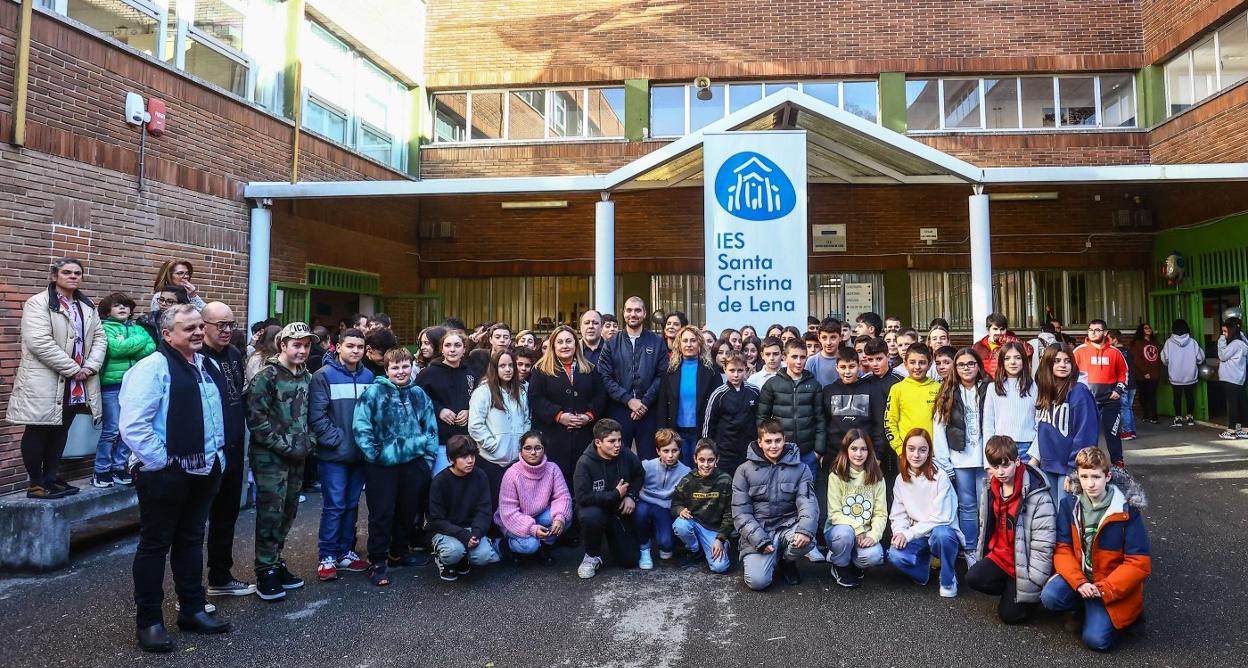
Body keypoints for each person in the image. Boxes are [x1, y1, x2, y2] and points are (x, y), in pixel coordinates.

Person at [121, 304, 231, 652]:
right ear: (167, 335)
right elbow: (134, 425)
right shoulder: (151, 368)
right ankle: (150, 622)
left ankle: (193, 610)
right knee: (155, 546)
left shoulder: (203, 364)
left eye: (200, 326)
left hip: (204, 468)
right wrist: (165, 464)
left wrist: (217, 458)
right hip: (165, 474)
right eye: (189, 329)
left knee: (190, 541)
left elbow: (212, 416)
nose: (198, 333)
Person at [9, 257, 106, 499]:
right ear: (55, 277)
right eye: (67, 272)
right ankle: (36, 483)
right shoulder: (38, 303)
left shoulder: (87, 306)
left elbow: (100, 338)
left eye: (77, 273)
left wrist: (91, 366)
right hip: (46, 380)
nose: (73, 276)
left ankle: (51, 479)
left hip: (77, 381)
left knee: (62, 430)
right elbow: (39, 343)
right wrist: (75, 369)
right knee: (38, 429)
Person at [1041, 447, 1151, 652]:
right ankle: (1084, 606)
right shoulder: (1069, 504)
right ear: (1078, 477)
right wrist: (1079, 582)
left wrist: (1104, 589)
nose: (1090, 484)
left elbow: (1139, 563)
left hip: (1109, 583)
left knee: (1097, 641)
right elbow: (1063, 549)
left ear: (1107, 476)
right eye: (1084, 476)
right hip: (1084, 579)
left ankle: (1130, 616)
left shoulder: (1127, 510)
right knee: (1050, 597)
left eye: (1096, 476)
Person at [353, 347, 439, 585]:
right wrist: (375, 455)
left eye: (405, 366)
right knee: (382, 513)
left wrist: (427, 460)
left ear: (411, 367)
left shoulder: (419, 394)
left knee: (407, 511)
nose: (401, 371)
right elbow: (361, 427)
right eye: (395, 367)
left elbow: (430, 428)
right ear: (386, 369)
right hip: (382, 466)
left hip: (413, 463)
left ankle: (399, 551)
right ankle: (378, 559)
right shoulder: (373, 393)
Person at [247, 322, 317, 601]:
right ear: (282, 345)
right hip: (270, 457)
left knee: (288, 511)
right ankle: (265, 570)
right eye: (296, 345)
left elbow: (309, 415)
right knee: (270, 513)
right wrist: (284, 446)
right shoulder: (267, 376)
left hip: (297, 455)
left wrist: (309, 442)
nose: (302, 350)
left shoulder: (307, 377)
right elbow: (257, 422)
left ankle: (275, 561)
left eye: (307, 345)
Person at [196, 303, 254, 598]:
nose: (227, 330)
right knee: (193, 524)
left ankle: (220, 575)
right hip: (205, 452)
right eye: (221, 325)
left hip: (233, 447)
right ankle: (191, 591)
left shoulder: (233, 354)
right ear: (203, 325)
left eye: (231, 324)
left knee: (226, 515)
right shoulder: (195, 358)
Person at [966, 435, 1057, 624]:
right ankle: (1011, 590)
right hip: (1001, 558)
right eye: (995, 466)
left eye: (1005, 465)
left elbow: (1044, 546)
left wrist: (1034, 583)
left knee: (1009, 616)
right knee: (973, 577)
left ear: (1017, 461)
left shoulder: (1038, 495)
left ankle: (1026, 597)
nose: (1000, 472)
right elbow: (985, 528)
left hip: (1025, 564)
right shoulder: (991, 488)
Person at [309, 327, 374, 582]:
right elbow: (317, 416)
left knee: (351, 504)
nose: (355, 351)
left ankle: (346, 551)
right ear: (338, 346)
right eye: (350, 346)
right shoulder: (323, 376)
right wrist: (336, 441)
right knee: (334, 505)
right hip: (334, 455)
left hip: (360, 455)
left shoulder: (369, 375)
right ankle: (327, 555)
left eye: (359, 347)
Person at [732, 418, 818, 590]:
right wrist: (760, 541)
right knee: (758, 582)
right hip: (759, 528)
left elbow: (808, 502)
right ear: (760, 442)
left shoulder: (801, 469)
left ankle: (786, 560)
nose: (773, 446)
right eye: (768, 441)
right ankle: (765, 558)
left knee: (807, 539)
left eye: (778, 440)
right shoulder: (744, 470)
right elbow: (741, 513)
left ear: (784, 440)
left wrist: (804, 530)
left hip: (788, 525)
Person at [887, 428, 964, 598]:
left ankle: (948, 577)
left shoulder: (940, 477)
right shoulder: (901, 479)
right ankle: (922, 572)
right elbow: (898, 514)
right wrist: (900, 532)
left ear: (929, 452)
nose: (916, 455)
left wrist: (908, 534)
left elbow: (941, 518)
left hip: (939, 533)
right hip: (918, 535)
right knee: (894, 554)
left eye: (922, 450)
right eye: (911, 449)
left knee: (942, 534)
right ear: (905, 450)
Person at [528, 325, 605, 493]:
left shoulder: (590, 369)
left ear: (576, 345)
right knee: (556, 484)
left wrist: (589, 416)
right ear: (553, 346)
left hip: (584, 435)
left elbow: (600, 396)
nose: (565, 346)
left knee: (582, 481)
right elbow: (535, 398)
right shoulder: (541, 370)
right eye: (560, 342)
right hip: (553, 436)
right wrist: (558, 415)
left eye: (569, 341)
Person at [92, 292, 156, 488]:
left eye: (126, 306)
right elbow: (115, 349)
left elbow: (152, 348)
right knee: (111, 429)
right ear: (107, 310)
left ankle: (119, 467)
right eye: (117, 305)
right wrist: (138, 343)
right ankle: (101, 470)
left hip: (134, 385)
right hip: (112, 385)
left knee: (127, 429)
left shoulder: (138, 328)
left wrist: (129, 345)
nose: (122, 308)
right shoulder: (105, 328)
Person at [932, 347, 989, 549]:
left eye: (971, 363)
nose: (966, 368)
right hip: (960, 459)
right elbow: (938, 428)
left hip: (986, 460)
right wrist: (944, 461)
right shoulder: (947, 392)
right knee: (967, 507)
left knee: (986, 507)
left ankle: (986, 549)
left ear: (978, 366)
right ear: (955, 368)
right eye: (961, 364)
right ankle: (971, 549)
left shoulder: (989, 388)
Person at [598, 296, 668, 459]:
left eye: (637, 310)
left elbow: (663, 375)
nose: (633, 314)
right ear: (623, 313)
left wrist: (644, 403)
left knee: (650, 462)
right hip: (620, 411)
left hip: (649, 411)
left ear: (644, 313)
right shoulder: (611, 343)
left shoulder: (657, 342)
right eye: (629, 310)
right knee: (618, 459)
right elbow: (605, 376)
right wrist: (629, 400)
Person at [574, 419, 644, 579]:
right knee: (591, 517)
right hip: (594, 508)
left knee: (630, 561)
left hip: (617, 510)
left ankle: (612, 538)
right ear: (598, 442)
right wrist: (615, 494)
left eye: (619, 440)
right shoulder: (585, 463)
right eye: (612, 441)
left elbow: (639, 474)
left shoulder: (625, 454)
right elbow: (582, 497)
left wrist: (631, 496)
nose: (617, 445)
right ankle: (592, 555)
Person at [1034, 344, 1100, 508]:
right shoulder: (1046, 392)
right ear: (1048, 364)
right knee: (1053, 516)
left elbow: (1085, 436)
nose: (1063, 365)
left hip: (1068, 469)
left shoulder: (1079, 392)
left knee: (1068, 518)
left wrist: (1073, 471)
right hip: (1047, 467)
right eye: (1057, 361)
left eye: (1067, 361)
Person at [427, 435, 502, 580]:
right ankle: (445, 561)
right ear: (451, 459)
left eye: (472, 455)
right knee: (453, 552)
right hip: (446, 531)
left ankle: (463, 558)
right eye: (463, 457)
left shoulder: (480, 476)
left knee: (484, 556)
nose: (470, 460)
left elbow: (484, 510)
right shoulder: (440, 482)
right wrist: (463, 535)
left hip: (471, 529)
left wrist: (476, 533)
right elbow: (436, 519)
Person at [495, 431, 571, 564]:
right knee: (529, 546)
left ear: (544, 450)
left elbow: (562, 497)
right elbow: (509, 512)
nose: (533, 452)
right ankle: (503, 545)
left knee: (565, 518)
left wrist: (559, 518)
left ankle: (543, 546)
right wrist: (533, 529)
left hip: (539, 514)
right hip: (512, 520)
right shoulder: (512, 474)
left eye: (538, 448)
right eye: (528, 448)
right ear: (521, 450)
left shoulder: (552, 469)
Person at [823, 429, 887, 588]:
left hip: (864, 535)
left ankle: (854, 563)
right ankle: (840, 565)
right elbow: (834, 514)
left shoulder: (877, 477)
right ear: (846, 450)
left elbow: (881, 514)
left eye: (863, 449)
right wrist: (858, 528)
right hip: (839, 532)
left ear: (869, 451)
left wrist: (873, 535)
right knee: (845, 534)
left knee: (875, 555)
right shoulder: (836, 475)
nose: (859, 454)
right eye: (854, 448)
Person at [468, 349, 531, 507]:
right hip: (491, 459)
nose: (508, 369)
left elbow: (526, 420)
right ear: (494, 368)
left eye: (511, 365)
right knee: (493, 502)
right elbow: (475, 425)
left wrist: (520, 445)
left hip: (515, 460)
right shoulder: (483, 392)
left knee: (513, 503)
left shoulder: (521, 392)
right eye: (502, 366)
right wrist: (493, 445)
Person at [757, 338, 826, 480]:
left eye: (802, 357)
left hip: (807, 454)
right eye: (794, 357)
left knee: (807, 495)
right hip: (779, 452)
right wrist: (766, 447)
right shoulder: (772, 384)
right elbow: (761, 419)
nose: (799, 362)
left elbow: (820, 419)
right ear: (784, 357)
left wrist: (818, 451)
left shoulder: (814, 385)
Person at [656, 325, 722, 465]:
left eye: (693, 340)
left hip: (701, 431)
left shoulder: (711, 371)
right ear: (679, 344)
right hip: (675, 432)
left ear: (699, 343)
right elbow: (662, 402)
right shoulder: (670, 370)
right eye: (685, 341)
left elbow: (717, 405)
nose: (689, 344)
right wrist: (663, 431)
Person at [416, 329, 476, 475]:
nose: (452, 349)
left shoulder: (472, 373)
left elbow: (479, 401)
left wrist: (470, 411)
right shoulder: (428, 374)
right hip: (440, 443)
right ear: (442, 349)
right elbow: (417, 401)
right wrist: (439, 410)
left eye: (457, 345)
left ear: (464, 349)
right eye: (448, 345)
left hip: (465, 443)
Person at [671, 439, 733, 573]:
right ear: (695, 459)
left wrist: (720, 538)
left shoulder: (725, 480)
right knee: (680, 525)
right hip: (694, 524)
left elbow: (730, 513)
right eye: (702, 460)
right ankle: (695, 550)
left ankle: (722, 545)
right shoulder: (688, 480)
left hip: (714, 530)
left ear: (717, 459)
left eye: (710, 460)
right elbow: (675, 504)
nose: (706, 465)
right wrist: (680, 510)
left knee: (720, 567)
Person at [1074, 320, 1129, 469]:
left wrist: (1118, 390)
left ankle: (1118, 464)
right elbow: (1070, 373)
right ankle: (1088, 464)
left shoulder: (1115, 352)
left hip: (1110, 400)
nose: (1093, 332)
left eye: (1097, 330)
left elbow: (1124, 373)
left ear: (1105, 333)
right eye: (1090, 329)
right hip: (1087, 400)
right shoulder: (1079, 351)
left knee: (1113, 431)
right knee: (1088, 434)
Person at [634, 429, 691, 569]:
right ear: (658, 451)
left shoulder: (686, 472)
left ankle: (662, 538)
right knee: (640, 511)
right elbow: (634, 485)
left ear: (680, 451)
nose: (670, 455)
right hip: (645, 503)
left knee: (667, 548)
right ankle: (644, 548)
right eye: (666, 451)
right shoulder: (646, 466)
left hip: (665, 508)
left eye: (675, 451)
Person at [702, 351, 761, 477]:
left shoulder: (754, 391)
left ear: (746, 369)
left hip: (749, 451)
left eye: (740, 370)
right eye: (732, 370)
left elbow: (760, 419)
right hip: (725, 453)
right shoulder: (718, 394)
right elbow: (708, 426)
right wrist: (709, 450)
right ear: (725, 369)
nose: (736, 375)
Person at [823, 345, 887, 460]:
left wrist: (878, 455)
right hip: (835, 455)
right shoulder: (829, 391)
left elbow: (879, 424)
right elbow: (823, 424)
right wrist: (823, 453)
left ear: (859, 366)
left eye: (851, 366)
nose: (847, 372)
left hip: (863, 454)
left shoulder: (872, 389)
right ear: (836, 367)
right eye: (843, 367)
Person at [982, 341, 1038, 460]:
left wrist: (1035, 456)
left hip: (1027, 448)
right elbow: (988, 425)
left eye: (1017, 358)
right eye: (1007, 358)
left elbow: (1040, 423)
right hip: (1000, 448)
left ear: (1024, 360)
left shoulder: (1034, 387)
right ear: (1002, 362)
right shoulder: (993, 388)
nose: (1012, 362)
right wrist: (988, 461)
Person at [885, 343, 940, 463]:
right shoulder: (897, 389)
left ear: (930, 365)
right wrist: (900, 449)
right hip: (907, 454)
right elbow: (890, 422)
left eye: (922, 362)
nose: (917, 367)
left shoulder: (939, 388)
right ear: (905, 364)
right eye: (912, 362)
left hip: (935, 455)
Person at [1161, 318, 1203, 426]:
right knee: (1190, 396)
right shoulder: (1192, 342)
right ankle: (1190, 418)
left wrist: (1169, 364)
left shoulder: (1169, 343)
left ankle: (1178, 418)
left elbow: (1164, 358)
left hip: (1175, 375)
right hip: (1190, 375)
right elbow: (1200, 358)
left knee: (1177, 397)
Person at [973, 313, 1031, 377]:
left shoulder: (1014, 342)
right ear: (988, 329)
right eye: (995, 329)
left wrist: (1005, 339)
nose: (999, 332)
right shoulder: (978, 347)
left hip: (1010, 382)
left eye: (1002, 329)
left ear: (1006, 329)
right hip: (986, 384)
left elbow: (1029, 351)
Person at [1217, 320, 1248, 439]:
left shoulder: (1235, 344)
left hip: (1230, 377)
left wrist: (1221, 341)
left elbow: (1222, 356)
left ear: (1231, 331)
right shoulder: (1242, 343)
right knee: (1241, 403)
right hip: (1239, 377)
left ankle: (1231, 430)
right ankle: (1245, 429)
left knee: (1232, 404)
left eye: (1225, 331)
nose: (1223, 334)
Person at [1107, 329, 1137, 441]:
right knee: (1128, 408)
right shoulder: (1128, 351)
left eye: (1108, 338)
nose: (1106, 341)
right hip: (1132, 383)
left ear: (1114, 339)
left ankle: (1126, 431)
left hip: (1122, 384)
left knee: (1124, 409)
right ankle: (1132, 431)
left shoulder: (1114, 352)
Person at [1130, 323, 1161, 426]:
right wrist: (1145, 372)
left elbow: (1159, 357)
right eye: (1145, 328)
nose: (1148, 329)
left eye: (1149, 328)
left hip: (1155, 373)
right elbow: (1136, 360)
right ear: (1141, 330)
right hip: (1141, 375)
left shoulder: (1155, 342)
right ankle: (1147, 414)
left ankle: (1154, 416)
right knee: (1143, 395)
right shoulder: (1137, 343)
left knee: (1152, 394)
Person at [804, 318, 842, 387]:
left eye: (833, 337)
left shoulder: (847, 359)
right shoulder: (812, 362)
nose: (828, 343)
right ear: (819, 338)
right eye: (824, 338)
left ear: (840, 337)